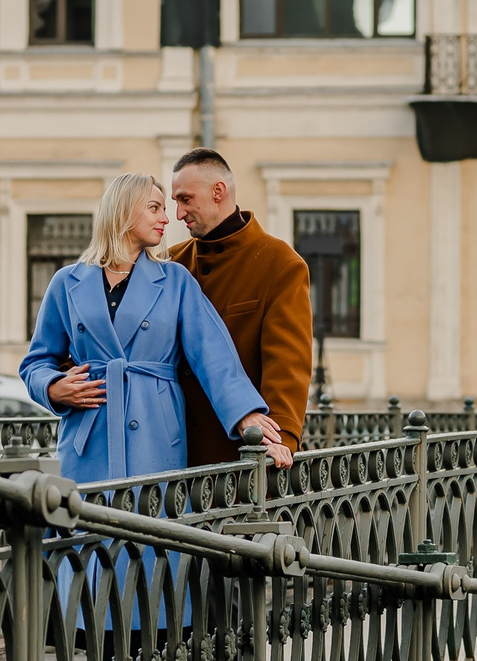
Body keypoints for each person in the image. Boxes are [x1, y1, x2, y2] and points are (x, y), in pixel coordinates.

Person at [21, 172, 288, 485]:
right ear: (124, 210)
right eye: (154, 208)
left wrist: (246, 415)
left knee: (152, 526)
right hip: (88, 437)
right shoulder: (67, 282)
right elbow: (37, 361)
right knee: (86, 528)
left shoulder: (175, 281)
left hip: (155, 433)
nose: (166, 218)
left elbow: (213, 355)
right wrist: (53, 387)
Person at [169, 148, 313, 467]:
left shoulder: (280, 264)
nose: (178, 213)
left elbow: (287, 363)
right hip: (170, 458)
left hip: (238, 458)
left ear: (218, 192)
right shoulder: (170, 263)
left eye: (185, 199)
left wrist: (280, 441)